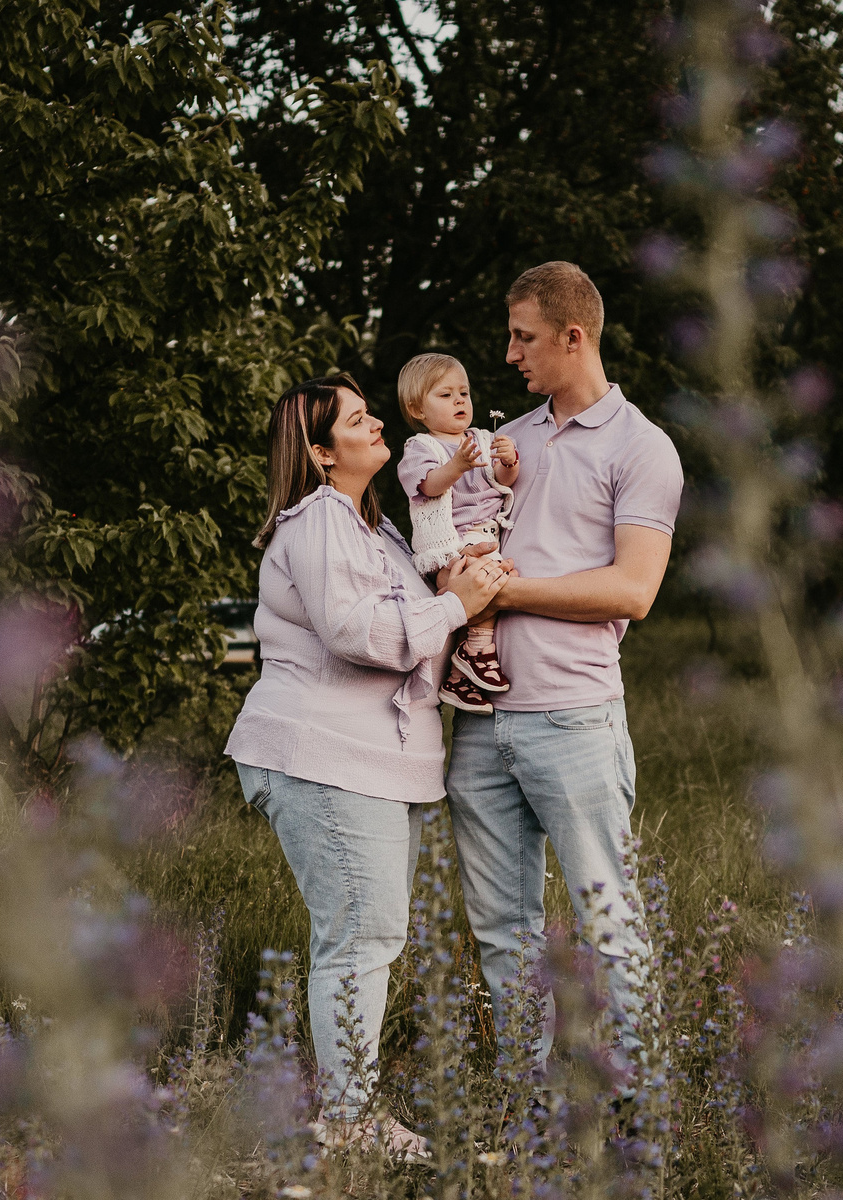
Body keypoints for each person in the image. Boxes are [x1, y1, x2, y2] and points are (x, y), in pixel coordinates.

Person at [224, 374, 510, 1154]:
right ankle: (349, 1122)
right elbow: (357, 632)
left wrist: (467, 592)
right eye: (356, 419)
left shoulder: (376, 531)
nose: (377, 420)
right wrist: (457, 605)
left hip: (370, 762)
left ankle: (354, 1109)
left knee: (370, 935)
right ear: (321, 453)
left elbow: (415, 625)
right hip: (322, 753)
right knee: (359, 937)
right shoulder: (319, 519)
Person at [448, 261, 683, 1057]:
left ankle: (644, 1100)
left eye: (524, 337)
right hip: (480, 722)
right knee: (502, 931)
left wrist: (502, 593)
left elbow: (633, 590)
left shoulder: (641, 448)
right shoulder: (504, 443)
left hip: (573, 719)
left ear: (573, 336)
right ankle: (525, 1104)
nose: (509, 354)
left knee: (609, 921)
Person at [395, 352, 520, 713]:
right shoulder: (421, 447)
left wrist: (509, 461)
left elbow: (502, 480)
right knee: (489, 582)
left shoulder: (482, 437)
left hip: (485, 536)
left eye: (463, 393)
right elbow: (429, 485)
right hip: (449, 544)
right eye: (446, 395)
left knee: (502, 578)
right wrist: (457, 465)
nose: (459, 401)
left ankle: (458, 680)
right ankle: (476, 651)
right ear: (417, 409)